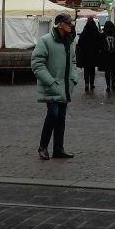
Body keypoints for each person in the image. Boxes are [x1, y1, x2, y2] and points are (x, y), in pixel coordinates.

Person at [30, 13, 78, 160]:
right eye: (68, 23)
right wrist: (50, 81)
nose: (71, 25)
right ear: (60, 25)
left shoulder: (70, 41)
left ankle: (58, 149)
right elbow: (37, 64)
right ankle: (43, 147)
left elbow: (73, 61)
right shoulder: (45, 41)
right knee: (53, 114)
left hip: (65, 86)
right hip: (51, 86)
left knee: (61, 117)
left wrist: (73, 78)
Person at [76, 16, 102, 92]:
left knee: (86, 70)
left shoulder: (84, 32)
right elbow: (99, 43)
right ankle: (92, 84)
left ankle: (86, 84)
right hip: (94, 54)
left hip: (85, 54)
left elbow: (80, 43)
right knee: (92, 70)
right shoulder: (96, 32)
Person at [97, 20, 115, 92]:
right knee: (114, 71)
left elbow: (99, 46)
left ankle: (108, 86)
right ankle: (113, 84)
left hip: (105, 57)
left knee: (107, 71)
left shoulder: (102, 35)